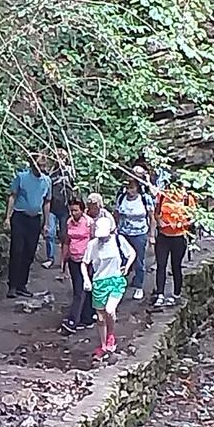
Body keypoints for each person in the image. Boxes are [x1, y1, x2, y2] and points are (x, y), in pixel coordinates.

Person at [82, 216, 135, 359]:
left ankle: (111, 334)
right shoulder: (93, 245)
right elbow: (84, 263)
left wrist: (127, 266)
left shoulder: (118, 240)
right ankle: (104, 344)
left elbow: (132, 253)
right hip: (99, 282)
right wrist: (87, 279)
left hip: (116, 280)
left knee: (109, 309)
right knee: (100, 318)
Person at [4, 154, 52, 298]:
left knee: (29, 252)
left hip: (35, 219)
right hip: (19, 216)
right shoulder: (22, 177)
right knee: (17, 250)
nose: (41, 169)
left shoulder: (46, 181)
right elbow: (13, 196)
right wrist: (7, 217)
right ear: (33, 165)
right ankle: (12, 285)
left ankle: (22, 284)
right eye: (39, 165)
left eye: (44, 166)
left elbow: (47, 202)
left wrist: (46, 223)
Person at [152, 175, 197, 307]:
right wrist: (160, 222)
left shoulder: (187, 198)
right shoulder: (163, 195)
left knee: (176, 266)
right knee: (161, 265)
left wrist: (182, 225)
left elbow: (193, 217)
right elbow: (156, 213)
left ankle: (176, 294)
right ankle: (160, 294)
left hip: (179, 236)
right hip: (163, 236)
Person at [113, 170, 155, 300]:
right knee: (122, 260)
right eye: (127, 187)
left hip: (139, 233)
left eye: (131, 187)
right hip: (123, 234)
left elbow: (151, 218)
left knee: (139, 261)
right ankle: (120, 284)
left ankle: (139, 286)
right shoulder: (121, 198)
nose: (129, 190)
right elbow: (116, 215)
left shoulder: (144, 199)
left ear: (137, 188)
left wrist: (151, 235)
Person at [59, 197, 95, 333]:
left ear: (82, 210)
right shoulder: (69, 222)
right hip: (73, 259)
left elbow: (93, 241)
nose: (73, 213)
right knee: (78, 289)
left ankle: (73, 320)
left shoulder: (89, 223)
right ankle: (86, 317)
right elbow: (66, 242)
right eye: (71, 210)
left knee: (81, 291)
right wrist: (63, 261)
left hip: (85, 261)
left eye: (75, 210)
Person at [43, 152, 72, 269]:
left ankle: (64, 259)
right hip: (52, 208)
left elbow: (73, 185)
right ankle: (50, 258)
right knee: (50, 233)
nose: (60, 159)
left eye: (63, 157)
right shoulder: (50, 172)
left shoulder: (69, 171)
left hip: (65, 208)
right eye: (58, 157)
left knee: (65, 235)